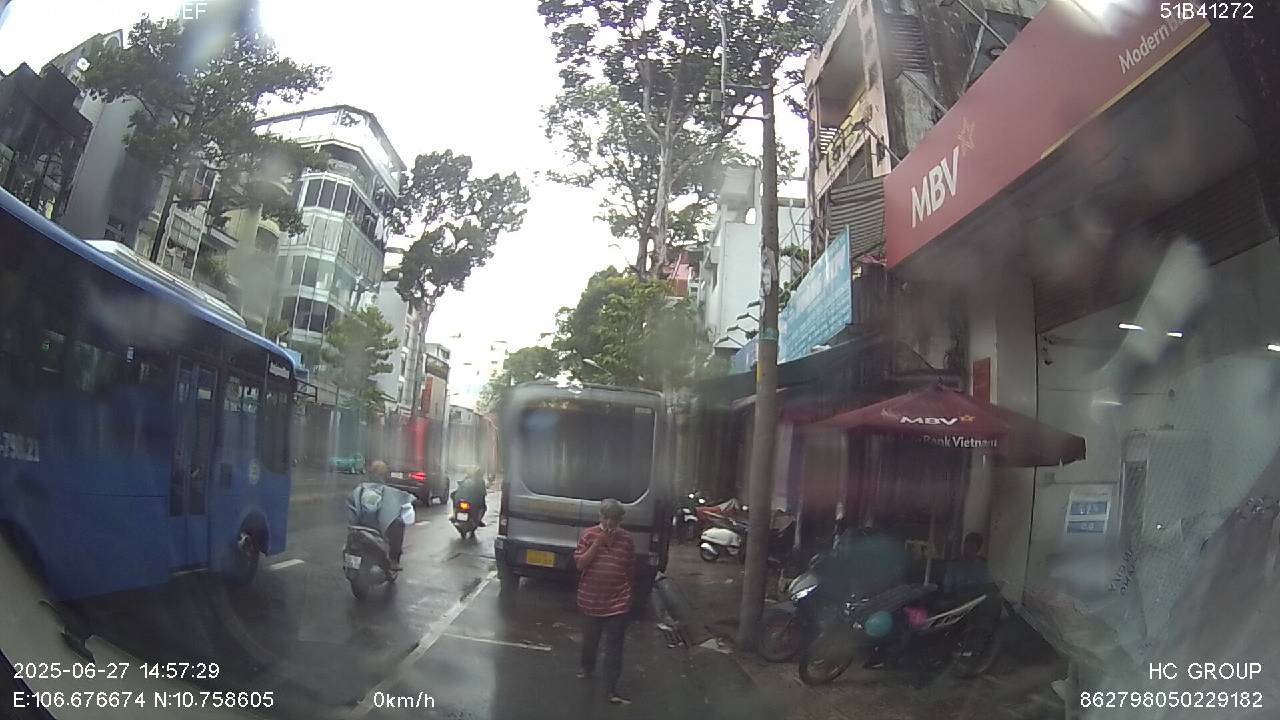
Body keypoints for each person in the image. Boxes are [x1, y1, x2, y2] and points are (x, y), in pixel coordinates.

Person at [573, 499, 635, 706]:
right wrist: (597, 544)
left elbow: (629, 567)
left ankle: (611, 689)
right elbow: (580, 564)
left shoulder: (626, 540)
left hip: (618, 601)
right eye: (606, 518)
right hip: (591, 599)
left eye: (614, 519)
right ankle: (587, 667)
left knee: (614, 647)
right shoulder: (588, 535)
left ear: (619, 521)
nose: (610, 523)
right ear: (600, 517)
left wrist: (628, 593)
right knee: (591, 640)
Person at [346, 460, 414, 571]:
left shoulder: (360, 489)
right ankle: (393, 560)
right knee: (399, 523)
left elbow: (351, 507)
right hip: (375, 528)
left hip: (358, 526)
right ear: (383, 474)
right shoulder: (386, 491)